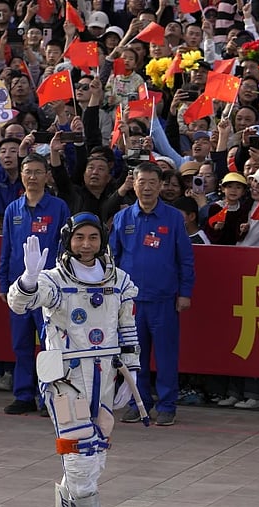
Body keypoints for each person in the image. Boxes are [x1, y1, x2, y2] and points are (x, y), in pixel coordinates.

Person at [7, 214, 139, 507]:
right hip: (65, 378)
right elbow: (19, 304)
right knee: (79, 456)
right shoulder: (53, 280)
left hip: (106, 377)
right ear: (68, 240)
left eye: (93, 237)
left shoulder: (119, 281)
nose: (86, 244)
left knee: (95, 457)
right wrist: (29, 278)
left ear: (103, 240)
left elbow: (127, 328)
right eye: (79, 237)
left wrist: (133, 372)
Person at [109, 162, 194, 427]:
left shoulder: (172, 218)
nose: (146, 187)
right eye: (141, 182)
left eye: (152, 182)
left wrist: (185, 293)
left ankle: (167, 405)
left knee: (167, 356)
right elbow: (113, 259)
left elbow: (185, 259)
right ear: (133, 184)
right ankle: (138, 403)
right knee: (134, 357)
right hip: (131, 303)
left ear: (160, 186)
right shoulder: (123, 218)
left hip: (164, 299)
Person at [0, 154, 70, 415]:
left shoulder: (58, 207)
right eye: (27, 171)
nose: (32, 177)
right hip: (19, 288)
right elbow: (6, 248)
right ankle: (24, 394)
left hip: (48, 289)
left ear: (47, 175)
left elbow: (65, 248)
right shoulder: (12, 209)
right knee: (21, 343)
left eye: (38, 172)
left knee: (50, 343)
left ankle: (48, 396)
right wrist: (3, 283)